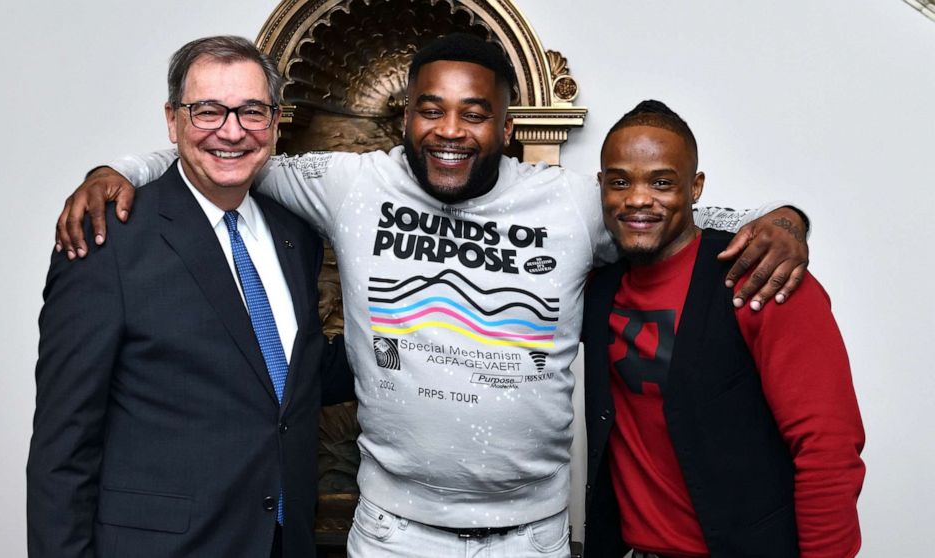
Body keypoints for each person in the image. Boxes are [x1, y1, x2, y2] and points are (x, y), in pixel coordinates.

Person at [53, 34, 810, 557]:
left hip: (532, 533)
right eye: (431, 109)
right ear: (405, 115)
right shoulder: (348, 184)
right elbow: (224, 148)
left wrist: (784, 219)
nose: (451, 130)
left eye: (475, 113)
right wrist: (116, 168)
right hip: (393, 531)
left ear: (507, 127)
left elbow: (674, 209)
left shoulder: (571, 205)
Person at [27, 36, 351, 558]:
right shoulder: (107, 240)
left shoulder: (297, 235)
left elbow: (290, 377)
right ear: (173, 119)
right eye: (207, 111)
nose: (232, 130)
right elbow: (63, 447)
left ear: (274, 120)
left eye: (251, 111)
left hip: (284, 543)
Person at [582, 100, 865, 558]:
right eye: (619, 182)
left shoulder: (762, 276)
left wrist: (787, 219)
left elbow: (829, 449)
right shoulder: (597, 288)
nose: (637, 198)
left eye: (661, 181)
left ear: (695, 188)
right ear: (600, 187)